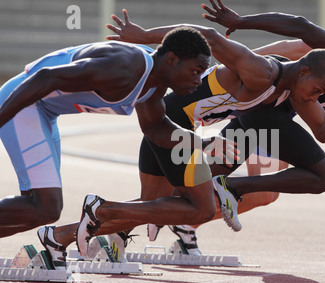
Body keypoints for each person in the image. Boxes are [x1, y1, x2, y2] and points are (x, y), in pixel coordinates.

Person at [99, 10, 325, 255]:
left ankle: (82, 234)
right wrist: (144, 37)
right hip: (170, 122)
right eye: (316, 90)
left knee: (157, 203)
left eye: (322, 95)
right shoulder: (262, 70)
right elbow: (206, 34)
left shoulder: (296, 92)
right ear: (303, 71)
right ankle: (93, 221)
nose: (315, 98)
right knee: (181, 205)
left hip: (187, 130)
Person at [0, 26, 227, 268]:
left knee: (43, 211)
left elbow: (156, 129)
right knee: (44, 205)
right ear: (171, 59)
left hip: (44, 111)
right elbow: (45, 76)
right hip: (25, 104)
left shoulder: (154, 85)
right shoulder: (125, 67)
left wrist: (201, 142)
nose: (198, 80)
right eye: (196, 70)